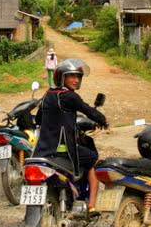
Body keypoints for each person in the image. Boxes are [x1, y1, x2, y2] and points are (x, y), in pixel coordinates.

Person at [33, 58, 108, 211]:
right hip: (63, 148)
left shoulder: (48, 94)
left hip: (44, 149)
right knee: (94, 160)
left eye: (78, 77)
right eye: (71, 76)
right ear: (61, 77)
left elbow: (39, 118)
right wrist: (103, 120)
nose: (75, 80)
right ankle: (92, 205)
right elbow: (88, 110)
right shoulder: (69, 96)